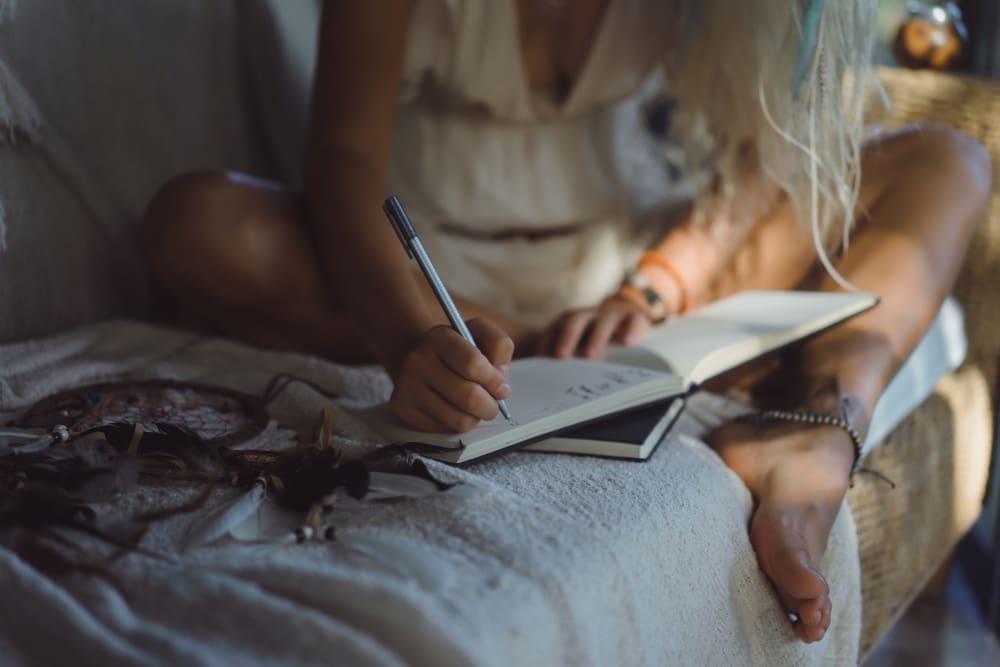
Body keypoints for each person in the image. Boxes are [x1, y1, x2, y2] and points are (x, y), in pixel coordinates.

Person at [141, 0, 991, 644]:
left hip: (631, 284)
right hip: (438, 285)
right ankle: (511, 348)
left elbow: (755, 163)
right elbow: (342, 161)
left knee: (948, 161)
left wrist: (654, 287)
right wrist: (407, 336)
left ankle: (818, 431)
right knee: (198, 224)